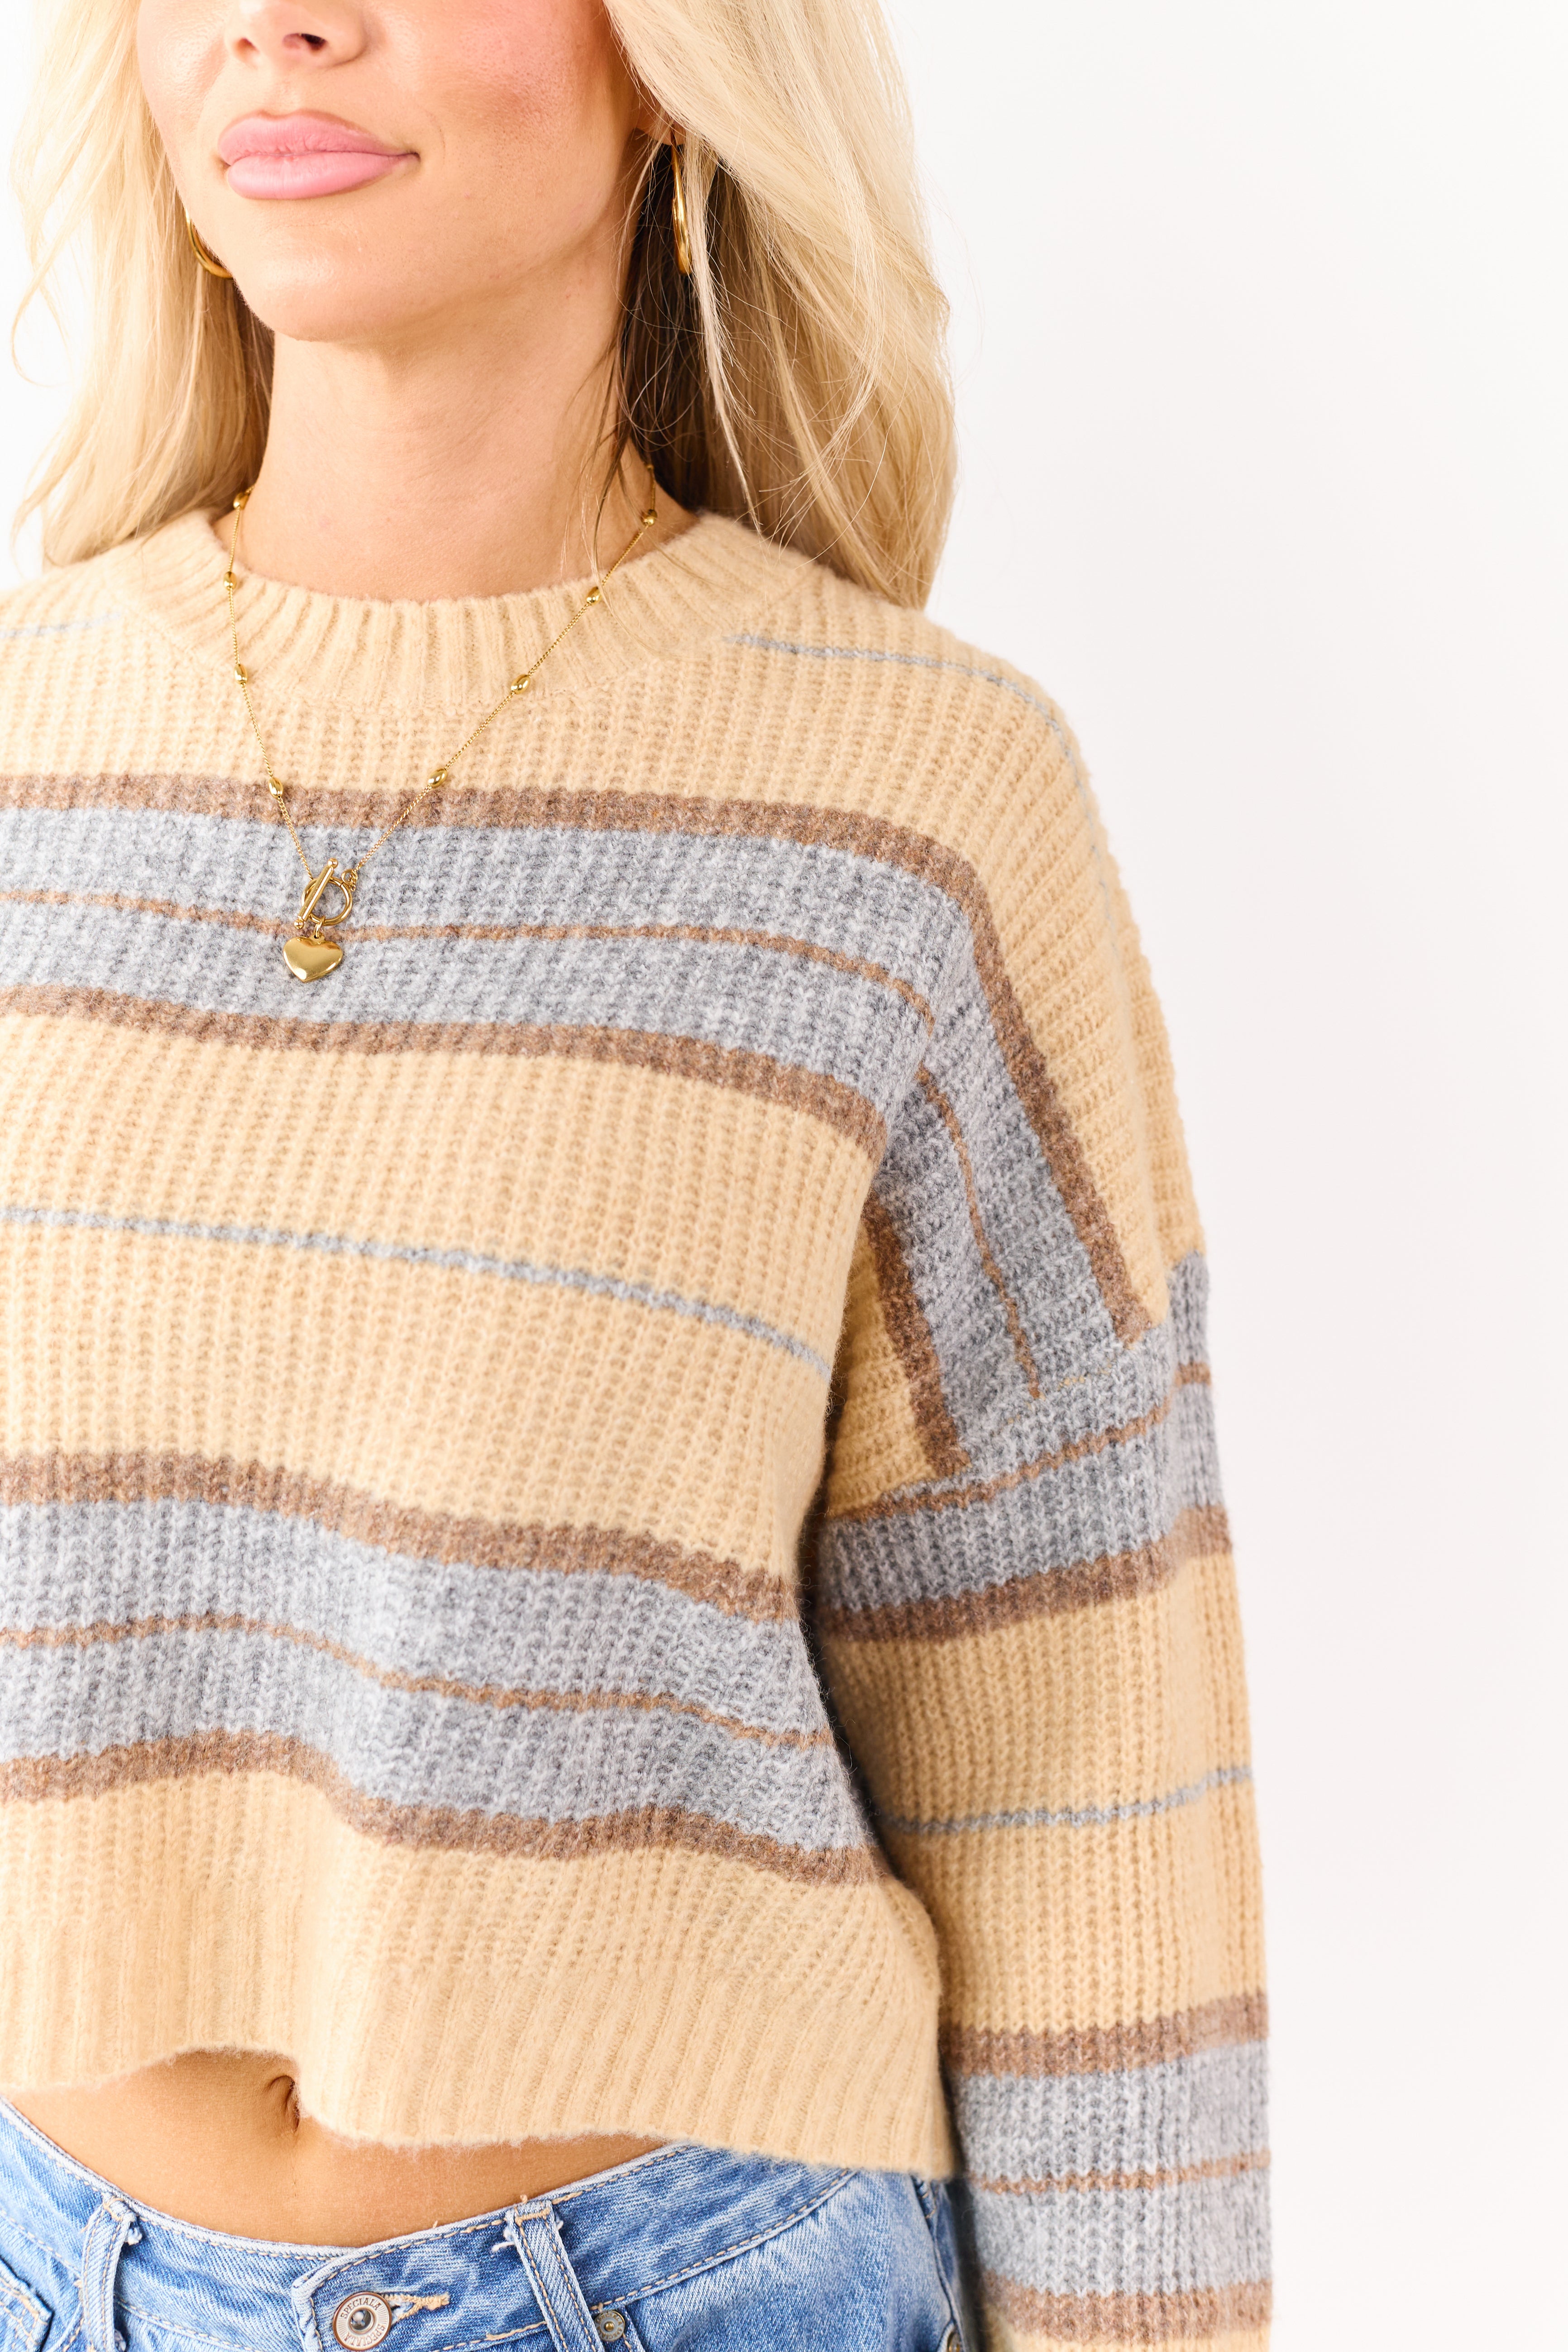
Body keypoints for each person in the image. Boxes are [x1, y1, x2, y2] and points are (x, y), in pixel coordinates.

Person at [0, 0, 1269, 2342]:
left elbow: (1078, 1730)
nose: (284, 24)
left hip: (680, 2282)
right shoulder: (25, 739)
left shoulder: (910, 803)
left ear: (676, 61)